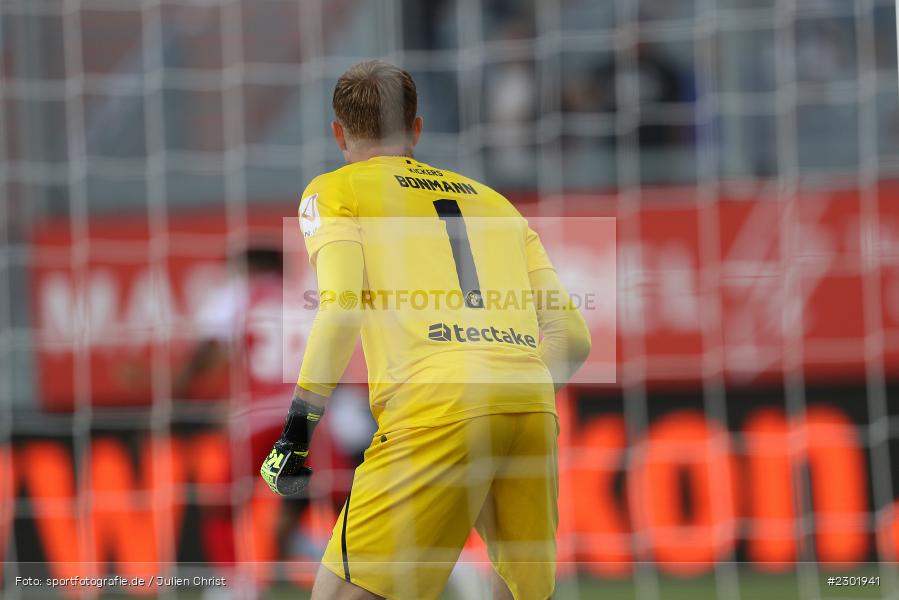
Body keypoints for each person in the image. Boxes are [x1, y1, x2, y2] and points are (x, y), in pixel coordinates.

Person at [259, 60, 592, 600]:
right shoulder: (497, 204)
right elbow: (574, 337)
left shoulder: (335, 191)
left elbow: (341, 308)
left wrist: (298, 429)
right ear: (416, 129)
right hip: (528, 401)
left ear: (338, 133)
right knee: (519, 591)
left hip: (433, 404)